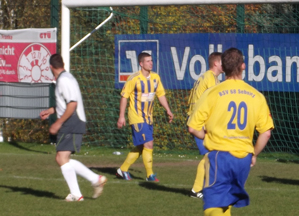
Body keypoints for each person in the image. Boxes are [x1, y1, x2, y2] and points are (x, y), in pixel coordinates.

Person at [187, 47, 273, 216]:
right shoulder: (256, 95)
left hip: (220, 157)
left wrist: (205, 136)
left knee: (210, 210)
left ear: (222, 68)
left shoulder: (214, 92)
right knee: (223, 208)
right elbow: (266, 132)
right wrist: (254, 153)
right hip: (243, 158)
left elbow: (192, 127)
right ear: (243, 66)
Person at [40, 54, 106, 201]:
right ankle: (95, 180)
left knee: (61, 157)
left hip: (72, 121)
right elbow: (66, 103)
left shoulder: (64, 80)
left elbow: (72, 104)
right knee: (63, 158)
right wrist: (51, 111)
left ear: (51, 67)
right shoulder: (67, 77)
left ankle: (78, 192)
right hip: (72, 120)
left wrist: (57, 123)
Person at [116, 51, 174, 182]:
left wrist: (168, 110)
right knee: (149, 144)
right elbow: (124, 96)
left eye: (151, 60)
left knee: (141, 146)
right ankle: (150, 175)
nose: (151, 63)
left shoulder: (155, 78)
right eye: (148, 61)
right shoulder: (134, 79)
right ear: (141, 64)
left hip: (148, 117)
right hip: (136, 116)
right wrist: (121, 116)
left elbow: (161, 95)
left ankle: (122, 169)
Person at [186, 52, 223, 199]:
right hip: (198, 121)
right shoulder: (210, 78)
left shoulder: (210, 78)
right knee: (209, 156)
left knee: (212, 155)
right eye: (222, 62)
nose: (225, 65)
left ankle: (205, 188)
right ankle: (196, 190)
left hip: (198, 119)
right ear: (216, 63)